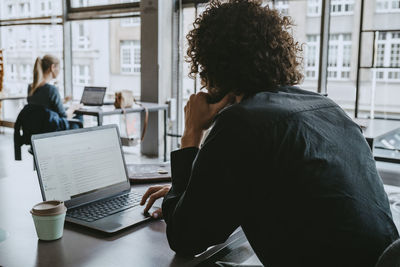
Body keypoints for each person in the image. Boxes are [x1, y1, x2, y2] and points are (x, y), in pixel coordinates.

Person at [140, 0, 399, 266]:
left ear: (212, 65)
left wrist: (191, 132)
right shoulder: (328, 106)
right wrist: (192, 192)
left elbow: (186, 239)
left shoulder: (242, 122)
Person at [27, 55, 82, 128]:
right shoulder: (51, 89)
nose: (59, 71)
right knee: (78, 116)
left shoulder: (31, 87)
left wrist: (62, 101)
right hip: (52, 130)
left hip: (38, 129)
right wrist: (73, 108)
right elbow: (64, 117)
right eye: (59, 68)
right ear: (52, 67)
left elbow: (44, 106)